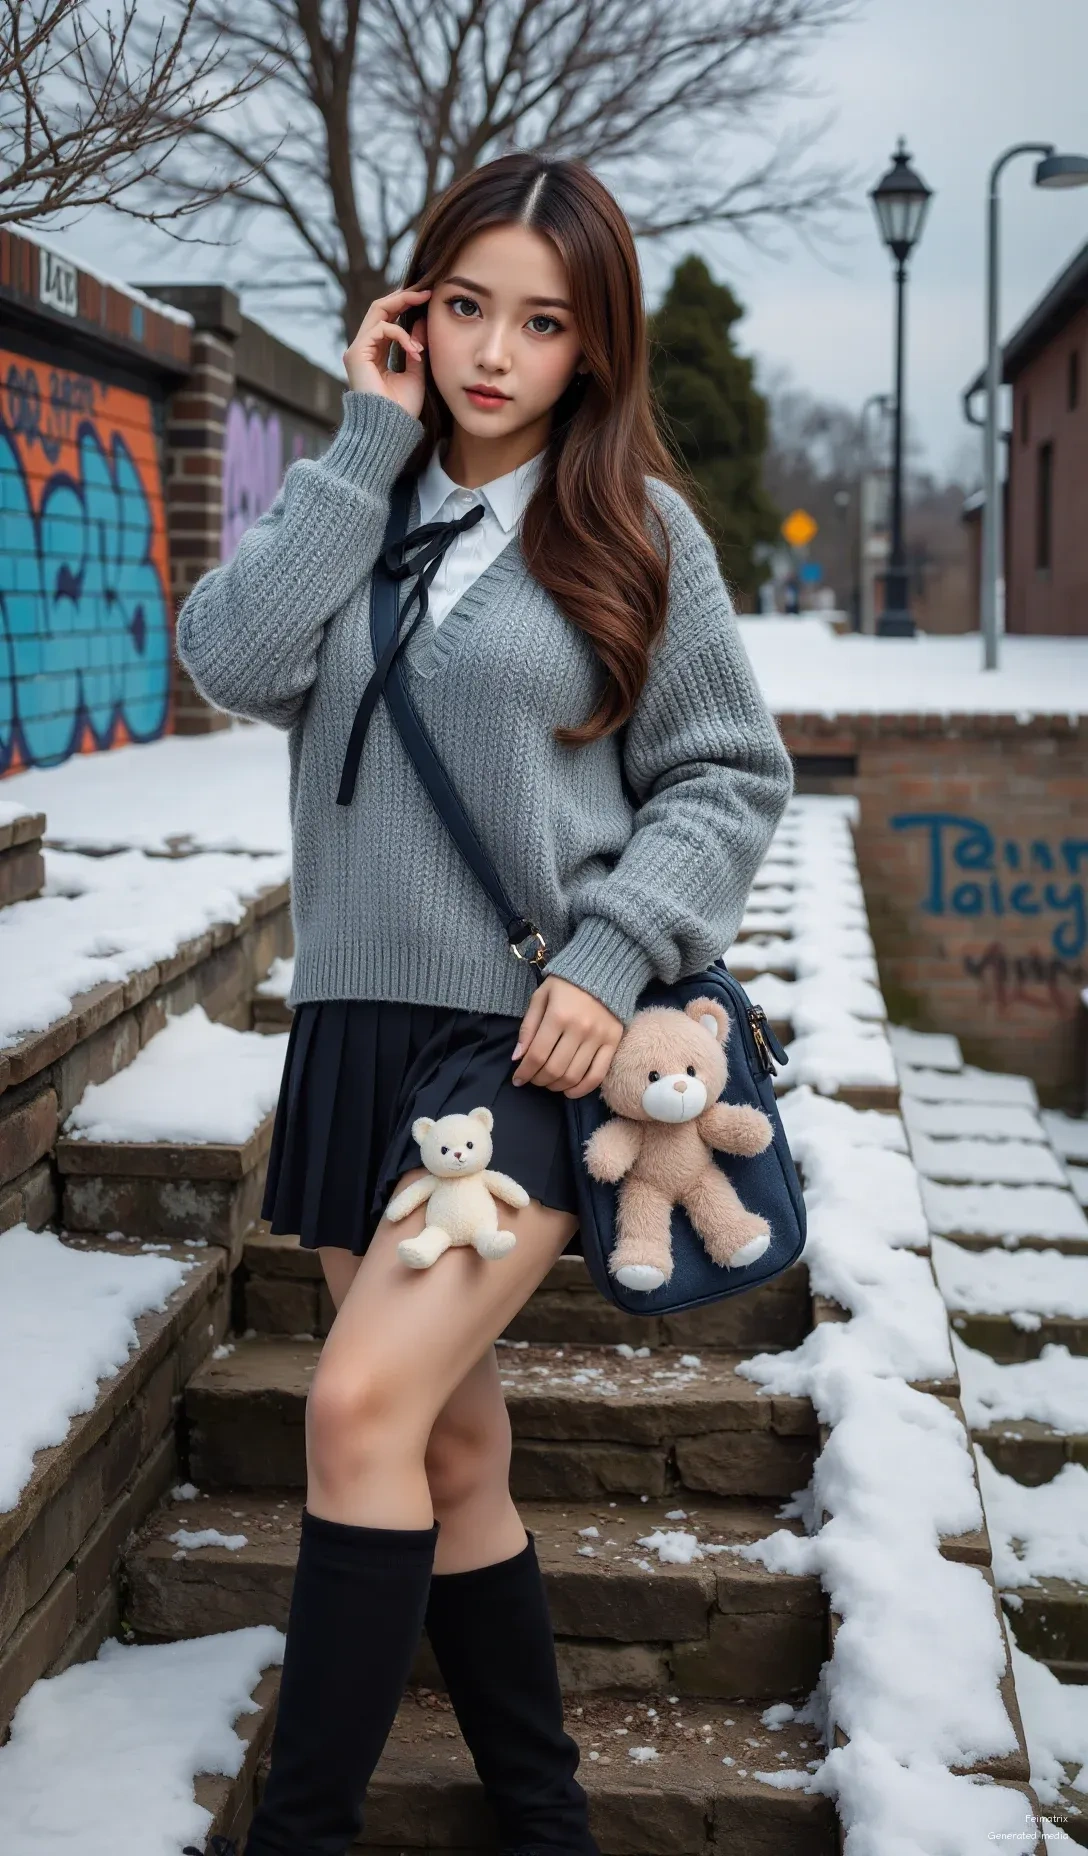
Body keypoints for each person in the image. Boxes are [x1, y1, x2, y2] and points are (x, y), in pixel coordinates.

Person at [176, 151, 794, 1856]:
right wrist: (361, 448)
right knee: (445, 1452)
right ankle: (544, 1818)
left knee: (358, 1407)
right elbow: (228, 660)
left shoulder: (634, 527)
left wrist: (610, 960)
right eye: (466, 309)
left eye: (544, 320)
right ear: (414, 311)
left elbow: (730, 776)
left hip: (524, 1045)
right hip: (358, 1029)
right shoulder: (358, 496)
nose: (497, 352)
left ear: (596, 345)